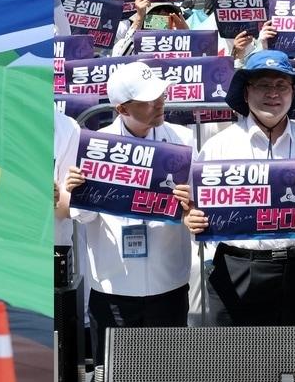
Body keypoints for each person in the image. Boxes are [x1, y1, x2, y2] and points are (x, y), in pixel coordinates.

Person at [179, 51, 295, 381]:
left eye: (282, 84)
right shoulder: (217, 147)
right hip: (236, 268)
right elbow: (197, 209)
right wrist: (191, 218)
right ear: (246, 92)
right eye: (262, 84)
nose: (273, 93)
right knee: (237, 370)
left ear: (293, 91)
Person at [63, 62, 193, 364]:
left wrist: (191, 201)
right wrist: (77, 192)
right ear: (123, 109)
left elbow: (197, 209)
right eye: (149, 99)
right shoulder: (95, 145)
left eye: (161, 93)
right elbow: (83, 216)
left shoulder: (183, 141)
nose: (160, 101)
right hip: (112, 284)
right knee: (114, 370)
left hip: (168, 281)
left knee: (169, 369)